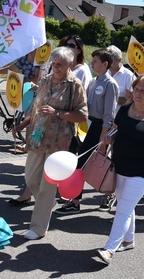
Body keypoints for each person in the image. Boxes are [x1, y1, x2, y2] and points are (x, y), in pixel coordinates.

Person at [95, 75, 144, 265]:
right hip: (119, 166)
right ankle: (128, 240)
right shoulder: (125, 109)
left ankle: (110, 248)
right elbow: (115, 128)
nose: (138, 93)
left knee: (122, 209)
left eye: (143, 90)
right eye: (136, 89)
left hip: (141, 170)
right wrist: (108, 138)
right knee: (125, 205)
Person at [22, 47, 87, 240]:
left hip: (59, 142)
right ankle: (47, 202)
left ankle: (38, 228)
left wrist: (57, 113)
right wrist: (24, 124)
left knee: (47, 187)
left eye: (60, 64)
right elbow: (35, 107)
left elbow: (83, 115)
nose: (55, 67)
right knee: (31, 179)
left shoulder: (75, 85)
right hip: (37, 138)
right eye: (53, 63)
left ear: (69, 64)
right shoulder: (44, 80)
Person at [56, 49, 118, 213]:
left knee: (96, 163)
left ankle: (105, 195)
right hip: (87, 125)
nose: (92, 63)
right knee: (81, 163)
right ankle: (76, 200)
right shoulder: (93, 82)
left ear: (105, 64)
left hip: (99, 127)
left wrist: (103, 135)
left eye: (96, 61)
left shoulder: (110, 84)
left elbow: (109, 113)